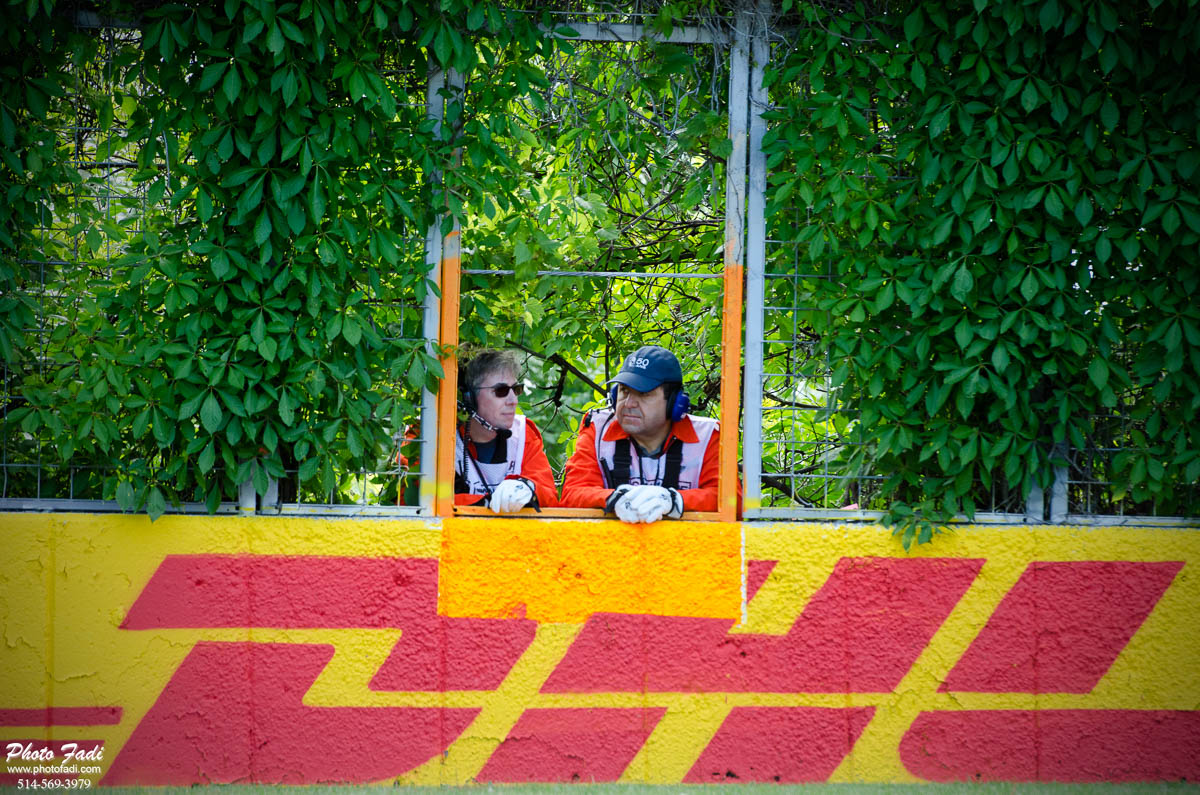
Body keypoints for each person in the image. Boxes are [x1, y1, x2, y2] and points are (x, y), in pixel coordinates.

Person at [560, 344, 737, 522]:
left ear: (674, 402)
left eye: (643, 394)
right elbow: (571, 494)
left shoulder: (708, 435)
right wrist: (614, 499)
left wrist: (675, 501)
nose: (629, 403)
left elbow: (733, 501)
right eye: (624, 391)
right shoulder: (597, 427)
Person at [455, 348, 558, 512]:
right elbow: (429, 499)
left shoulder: (523, 434)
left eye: (516, 389)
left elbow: (549, 496)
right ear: (468, 398)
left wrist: (528, 487)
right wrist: (488, 503)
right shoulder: (434, 438)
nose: (513, 401)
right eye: (501, 391)